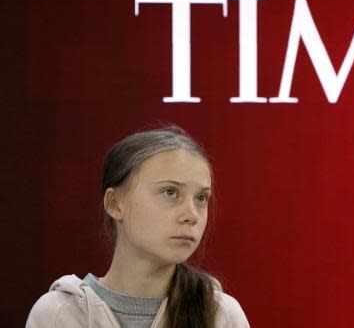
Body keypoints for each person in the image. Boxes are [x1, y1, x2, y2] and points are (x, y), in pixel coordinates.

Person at [26, 126, 250, 328]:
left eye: (201, 198)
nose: (192, 215)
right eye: (170, 192)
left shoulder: (221, 316)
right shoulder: (57, 315)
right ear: (115, 204)